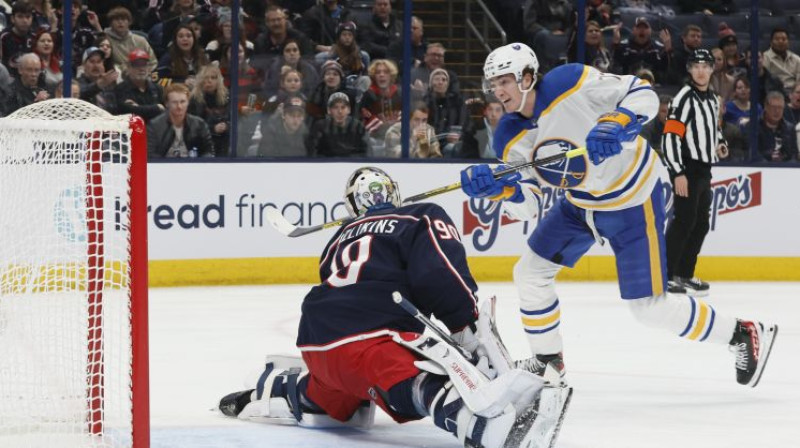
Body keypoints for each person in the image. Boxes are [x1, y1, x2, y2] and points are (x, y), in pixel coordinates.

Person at [459, 43, 778, 388]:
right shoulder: (508, 134)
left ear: (527, 77)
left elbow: (642, 93)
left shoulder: (569, 81)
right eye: (493, 84)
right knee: (529, 273)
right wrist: (500, 190)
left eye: (504, 81)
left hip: (633, 198)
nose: (498, 91)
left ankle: (740, 333)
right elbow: (529, 204)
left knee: (649, 308)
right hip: (580, 205)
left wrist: (620, 120)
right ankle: (549, 362)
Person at [217, 167, 569, 448]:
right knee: (417, 382)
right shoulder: (419, 217)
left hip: (317, 342)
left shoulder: (335, 241)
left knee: (325, 404)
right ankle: (476, 423)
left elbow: (346, 285)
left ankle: (273, 387)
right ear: (394, 194)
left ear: (353, 207)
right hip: (370, 340)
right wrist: (468, 328)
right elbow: (440, 276)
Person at [662, 49, 728, 296]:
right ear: (689, 69)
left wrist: (720, 143)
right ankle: (665, 275)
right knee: (684, 222)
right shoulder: (683, 98)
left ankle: (684, 273)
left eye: (706, 66)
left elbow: (714, 128)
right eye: (696, 66)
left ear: (712, 69)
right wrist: (677, 172)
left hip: (704, 169)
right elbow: (670, 136)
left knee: (700, 224)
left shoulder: (713, 99)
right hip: (687, 168)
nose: (701, 70)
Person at [147, 83, 214, 159]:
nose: (179, 106)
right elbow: (150, 155)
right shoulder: (154, 126)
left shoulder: (200, 124)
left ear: (188, 102)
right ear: (167, 104)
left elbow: (208, 152)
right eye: (174, 102)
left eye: (182, 102)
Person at [308, 91, 367, 157]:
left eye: (343, 107)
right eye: (335, 107)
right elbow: (313, 153)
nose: (340, 111)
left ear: (349, 110)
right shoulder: (320, 126)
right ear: (329, 110)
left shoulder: (358, 126)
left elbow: (366, 152)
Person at [115, 48, 165, 124]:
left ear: (149, 68)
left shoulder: (158, 89)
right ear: (128, 68)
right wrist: (157, 108)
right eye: (136, 65)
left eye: (144, 65)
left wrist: (138, 108)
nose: (141, 69)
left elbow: (166, 113)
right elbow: (128, 113)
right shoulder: (120, 89)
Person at [757, 91, 797, 162]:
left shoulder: (789, 129)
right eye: (774, 107)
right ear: (766, 107)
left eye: (780, 107)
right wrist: (769, 156)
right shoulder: (754, 127)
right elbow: (751, 153)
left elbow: (794, 155)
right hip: (761, 168)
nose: (777, 111)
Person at [762, 27, 800, 96]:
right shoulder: (765, 57)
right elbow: (766, 81)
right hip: (775, 92)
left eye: (784, 39)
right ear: (771, 42)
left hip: (794, 93)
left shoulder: (796, 59)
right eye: (777, 39)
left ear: (788, 42)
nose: (780, 41)